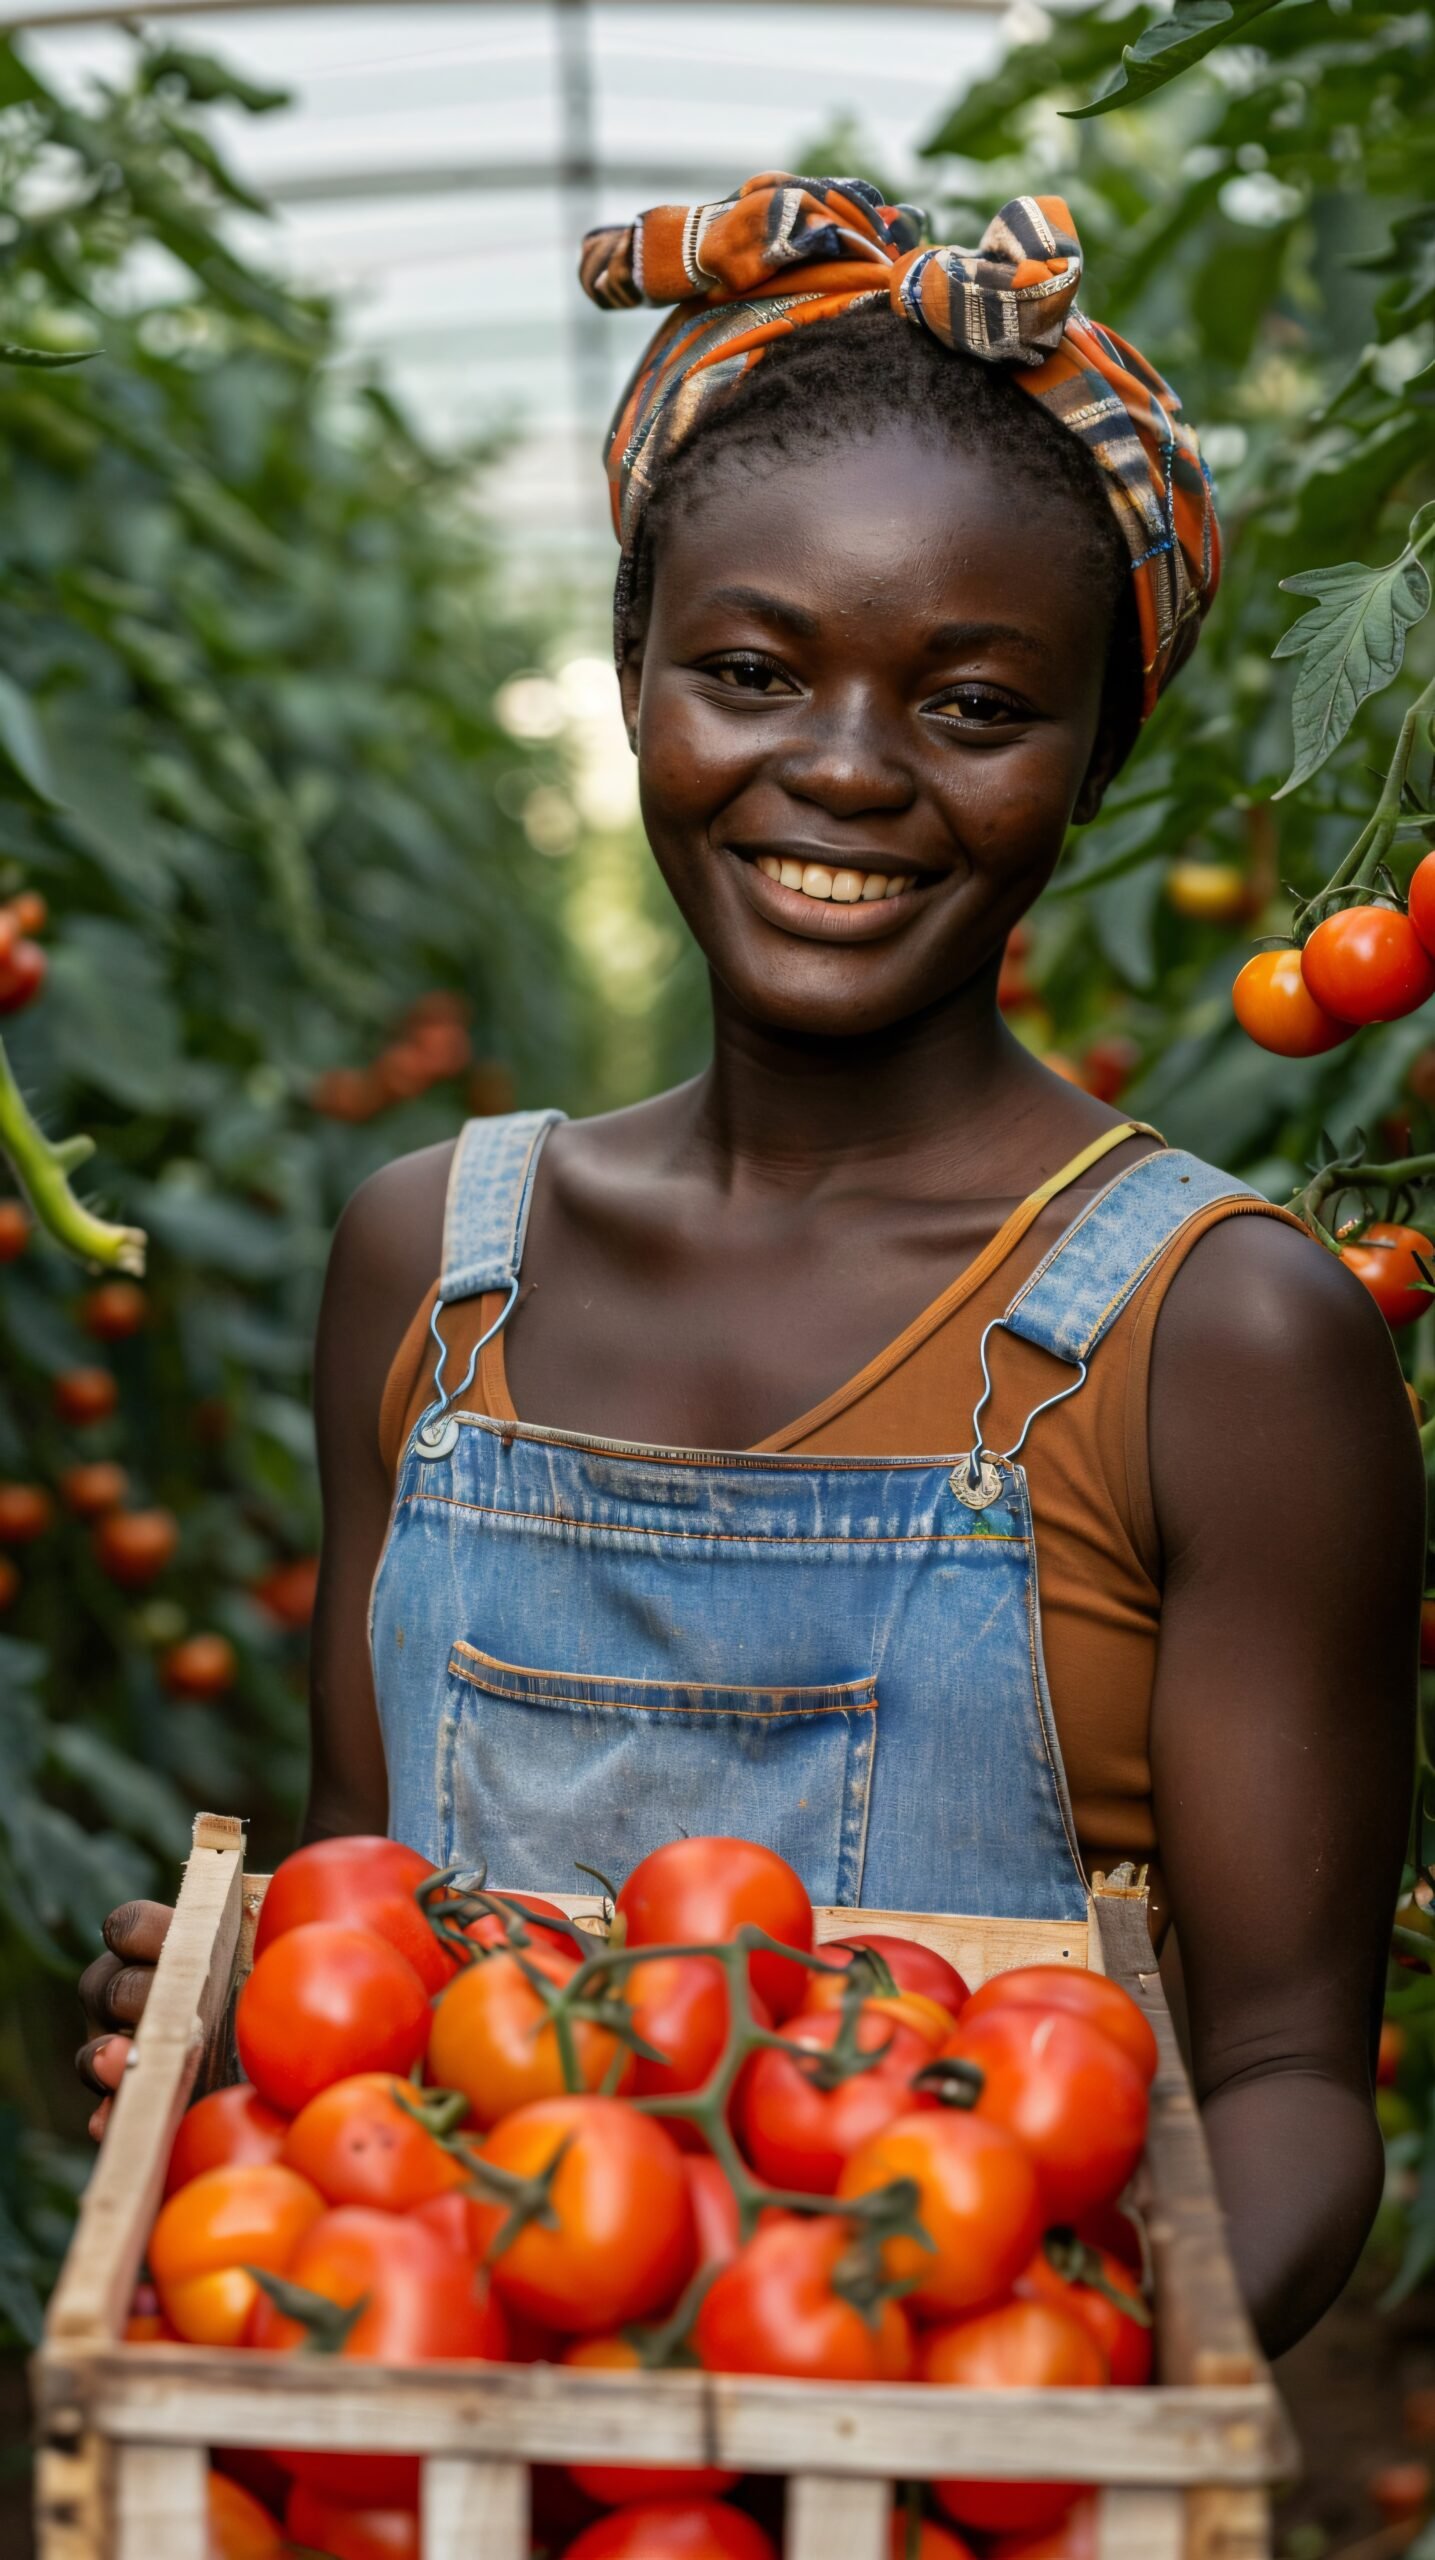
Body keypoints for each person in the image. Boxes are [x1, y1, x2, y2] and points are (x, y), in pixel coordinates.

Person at [80, 178, 1416, 2356]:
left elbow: (1280, 2083)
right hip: (439, 2448)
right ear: (631, 684)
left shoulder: (1220, 1338)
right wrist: (245, 2029)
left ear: (1094, 758)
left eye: (975, 703)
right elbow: (382, 1924)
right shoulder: (429, 1262)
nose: (845, 769)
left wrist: (1027, 2388)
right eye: (749, 670)